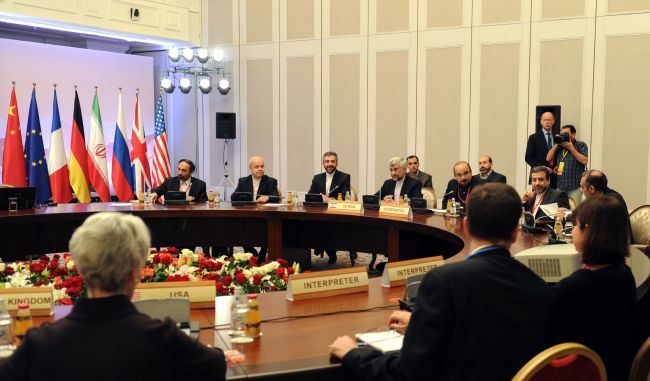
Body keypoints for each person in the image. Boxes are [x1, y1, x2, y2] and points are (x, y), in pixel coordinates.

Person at [329, 183, 552, 381]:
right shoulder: (538, 287)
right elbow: (488, 330)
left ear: (465, 226)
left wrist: (353, 353)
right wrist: (421, 323)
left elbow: (406, 374)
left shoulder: (444, 282)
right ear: (515, 232)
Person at [0, 212, 226, 381]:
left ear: (79, 269)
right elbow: (215, 365)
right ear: (135, 273)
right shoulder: (163, 336)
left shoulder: (40, 343)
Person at [548, 196, 646, 381]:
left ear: (588, 231)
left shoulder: (569, 290)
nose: (573, 231)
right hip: (619, 370)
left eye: (575, 226)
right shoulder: (624, 274)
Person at [308, 151, 351, 265]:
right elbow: (310, 196)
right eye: (327, 161)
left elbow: (345, 197)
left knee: (325, 226)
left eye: (332, 161)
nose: (330, 164)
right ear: (323, 163)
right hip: (319, 212)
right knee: (308, 225)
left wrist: (329, 200)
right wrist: (319, 199)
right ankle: (321, 247)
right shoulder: (317, 178)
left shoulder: (344, 177)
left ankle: (327, 250)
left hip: (336, 213)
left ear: (337, 163)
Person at [234, 156, 280, 261]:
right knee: (238, 227)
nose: (260, 169)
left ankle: (263, 252)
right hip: (247, 215)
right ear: (251, 168)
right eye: (257, 167)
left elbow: (275, 196)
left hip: (264, 216)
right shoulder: (243, 181)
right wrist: (243, 196)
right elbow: (233, 196)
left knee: (269, 229)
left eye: (262, 166)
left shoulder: (271, 181)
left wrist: (267, 197)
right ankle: (250, 250)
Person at [545, 124, 588, 205]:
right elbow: (548, 158)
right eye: (562, 134)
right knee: (561, 209)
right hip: (561, 186)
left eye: (566, 134)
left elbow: (584, 161)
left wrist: (571, 148)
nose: (564, 136)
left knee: (575, 211)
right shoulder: (560, 147)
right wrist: (557, 143)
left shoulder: (580, 145)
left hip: (575, 187)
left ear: (573, 134)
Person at [525, 111, 556, 187]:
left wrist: (558, 167)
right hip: (538, 177)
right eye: (545, 120)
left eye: (549, 120)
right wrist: (543, 168)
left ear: (553, 121)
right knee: (539, 198)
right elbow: (528, 158)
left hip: (554, 176)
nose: (547, 122)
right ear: (541, 122)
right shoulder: (533, 137)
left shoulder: (557, 137)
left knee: (554, 198)